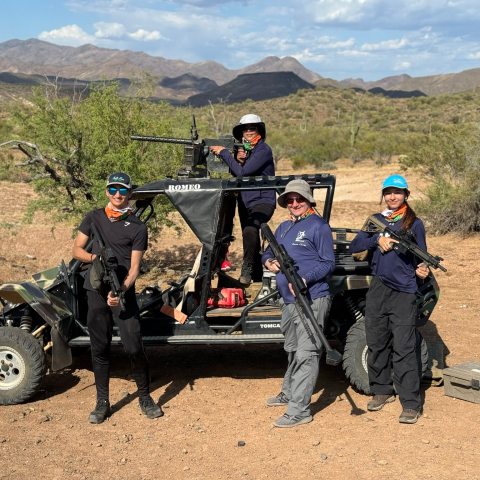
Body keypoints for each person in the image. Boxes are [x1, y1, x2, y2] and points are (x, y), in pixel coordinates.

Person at [72, 172, 163, 424]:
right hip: (95, 292)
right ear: (106, 192)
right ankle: (102, 402)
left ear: (129, 194)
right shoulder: (93, 218)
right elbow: (76, 249)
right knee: (99, 348)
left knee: (134, 346)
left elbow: (134, 268)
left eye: (122, 191)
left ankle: (145, 397)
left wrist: (120, 291)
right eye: (113, 189)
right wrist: (95, 259)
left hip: (123, 292)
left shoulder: (137, 227)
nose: (117, 195)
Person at [349, 174, 430, 424]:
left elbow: (422, 256)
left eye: (397, 192)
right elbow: (355, 246)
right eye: (388, 192)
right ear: (383, 195)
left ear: (406, 195)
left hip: (404, 291)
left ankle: (410, 404)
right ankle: (381, 390)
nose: (392, 196)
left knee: (404, 347)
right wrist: (377, 239)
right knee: (376, 340)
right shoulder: (376, 221)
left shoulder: (413, 223)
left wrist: (422, 269)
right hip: (378, 288)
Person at [262, 179, 335, 428]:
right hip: (289, 301)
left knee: (307, 353)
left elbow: (328, 263)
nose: (295, 204)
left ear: (308, 201)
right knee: (293, 349)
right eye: (290, 200)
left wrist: (305, 278)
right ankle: (290, 391)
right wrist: (268, 262)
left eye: (299, 199)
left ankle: (299, 410)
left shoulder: (319, 227)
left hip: (311, 299)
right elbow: (268, 251)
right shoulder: (282, 227)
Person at [210, 114, 276, 284]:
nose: (248, 132)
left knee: (250, 229)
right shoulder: (248, 151)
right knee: (250, 235)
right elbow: (239, 174)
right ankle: (258, 273)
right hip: (245, 202)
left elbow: (243, 174)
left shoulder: (263, 150)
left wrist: (225, 153)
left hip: (263, 200)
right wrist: (238, 161)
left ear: (259, 130)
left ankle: (247, 267)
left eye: (252, 128)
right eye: (245, 129)